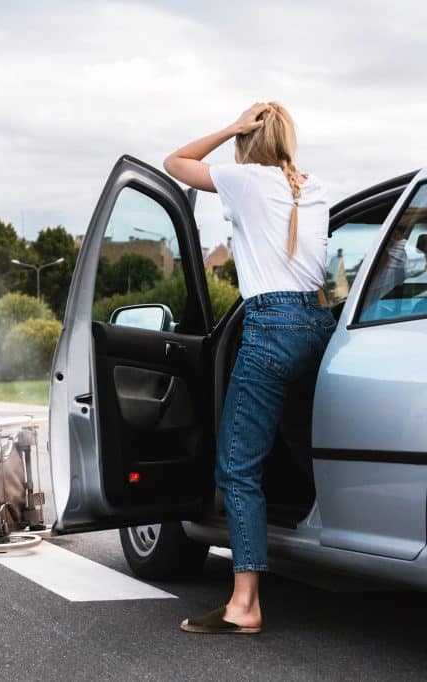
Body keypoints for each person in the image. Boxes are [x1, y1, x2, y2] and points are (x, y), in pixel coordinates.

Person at [163, 102, 336, 634]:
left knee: (238, 467)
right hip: (319, 323)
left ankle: (244, 603)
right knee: (305, 439)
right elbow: (328, 275)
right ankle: (339, 530)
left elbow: (175, 162)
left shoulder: (244, 180)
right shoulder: (316, 188)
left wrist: (230, 128)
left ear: (249, 139)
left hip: (271, 329)